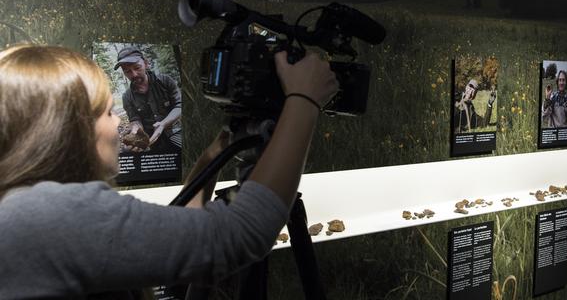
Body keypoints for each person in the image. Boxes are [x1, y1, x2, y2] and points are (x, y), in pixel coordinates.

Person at [0, 45, 338, 299]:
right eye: (105, 113)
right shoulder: (54, 216)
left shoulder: (23, 210)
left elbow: (180, 240)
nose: (116, 122)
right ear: (68, 130)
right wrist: (304, 100)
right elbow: (241, 235)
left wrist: (220, 147)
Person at [115, 46, 181, 152]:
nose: (134, 74)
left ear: (146, 64)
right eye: (127, 71)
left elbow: (179, 106)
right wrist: (136, 130)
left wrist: (164, 124)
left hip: (172, 130)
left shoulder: (165, 81)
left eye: (137, 68)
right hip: (147, 137)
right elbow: (135, 119)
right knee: (128, 151)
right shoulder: (127, 97)